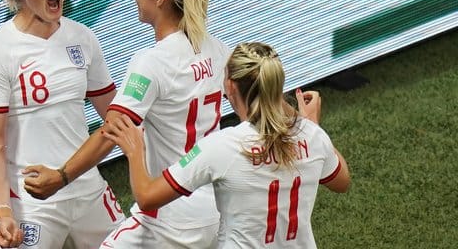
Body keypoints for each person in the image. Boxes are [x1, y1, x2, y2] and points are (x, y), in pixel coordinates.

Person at [23, 0, 322, 247]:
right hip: (213, 211)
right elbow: (265, 96)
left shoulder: (151, 63)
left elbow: (112, 130)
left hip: (168, 215)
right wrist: (303, 124)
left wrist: (61, 177)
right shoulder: (217, 49)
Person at [104, 42, 351, 248]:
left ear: (230, 86)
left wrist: (135, 151)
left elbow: (147, 197)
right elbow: (341, 182)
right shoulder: (312, 135)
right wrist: (309, 125)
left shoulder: (222, 147)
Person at [0, 0, 124, 249]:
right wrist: (3, 212)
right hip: (32, 201)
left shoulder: (82, 38)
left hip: (87, 189)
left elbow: (117, 117)